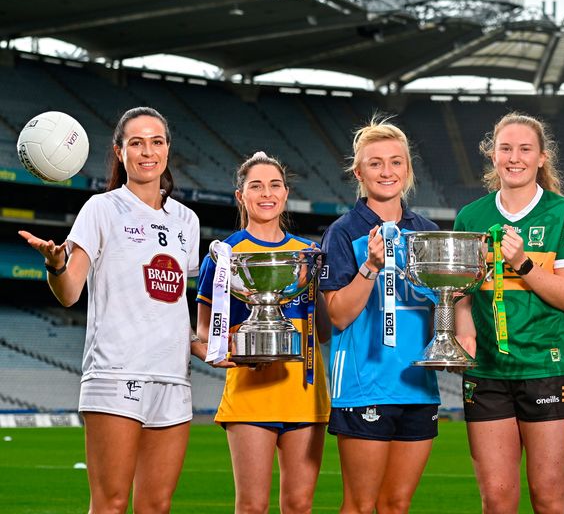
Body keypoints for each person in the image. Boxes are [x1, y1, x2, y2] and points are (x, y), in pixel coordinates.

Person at [18, 107, 201, 514]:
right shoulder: (101, 209)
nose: (147, 151)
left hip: (172, 377)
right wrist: (54, 263)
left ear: (168, 149)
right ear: (120, 152)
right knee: (111, 503)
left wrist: (203, 343)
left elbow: (173, 304)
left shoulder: (186, 220)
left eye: (156, 141)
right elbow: (69, 292)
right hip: (116, 374)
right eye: (136, 143)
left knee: (156, 505)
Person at [453, 112, 564, 514]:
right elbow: (460, 293)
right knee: (497, 499)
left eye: (525, 149)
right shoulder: (469, 218)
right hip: (487, 374)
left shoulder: (563, 213)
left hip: (547, 370)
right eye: (505, 148)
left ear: (542, 157)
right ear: (492, 156)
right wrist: (463, 332)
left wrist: (524, 263)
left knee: (548, 499)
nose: (515, 157)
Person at [194, 152, 331, 514]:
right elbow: (203, 334)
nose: (266, 193)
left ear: (285, 193)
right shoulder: (224, 256)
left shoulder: (309, 256)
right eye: (256, 186)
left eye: (274, 185)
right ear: (241, 196)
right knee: (253, 506)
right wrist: (227, 351)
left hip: (304, 393)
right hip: (250, 396)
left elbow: (324, 330)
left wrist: (321, 286)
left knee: (300, 504)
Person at [319, 116, 440, 514]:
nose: (386, 171)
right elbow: (336, 315)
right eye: (375, 163)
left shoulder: (427, 231)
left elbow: (444, 303)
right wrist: (370, 266)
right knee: (359, 505)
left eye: (395, 162)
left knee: (397, 504)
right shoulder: (342, 232)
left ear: (407, 170)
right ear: (359, 171)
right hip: (363, 385)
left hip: (419, 387)